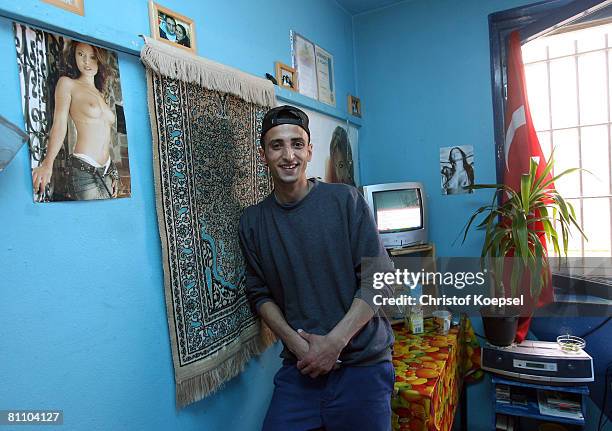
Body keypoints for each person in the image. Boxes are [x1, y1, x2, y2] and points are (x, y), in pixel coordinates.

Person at [239, 105, 395, 431]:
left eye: (297, 144)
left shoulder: (346, 202)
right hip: (301, 370)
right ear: (263, 154)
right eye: (276, 145)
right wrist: (299, 348)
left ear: (310, 150)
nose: (288, 155)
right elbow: (259, 293)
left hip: (362, 366)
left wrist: (334, 342)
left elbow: (378, 280)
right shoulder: (253, 223)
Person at [31, 41, 119, 200]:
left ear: (99, 60)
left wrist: (113, 170)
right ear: (74, 56)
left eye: (92, 57)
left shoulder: (100, 93)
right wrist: (47, 163)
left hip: (107, 170)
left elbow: (105, 133)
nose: (86, 62)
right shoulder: (67, 84)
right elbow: (60, 123)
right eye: (81, 55)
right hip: (84, 169)